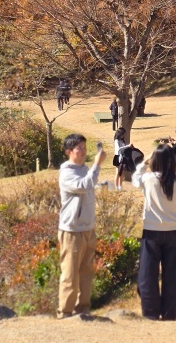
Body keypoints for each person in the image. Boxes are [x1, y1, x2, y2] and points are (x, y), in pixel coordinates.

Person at [57, 133, 106, 319]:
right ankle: (65, 312)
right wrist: (97, 165)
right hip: (72, 230)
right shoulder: (67, 172)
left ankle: (83, 309)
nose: (84, 152)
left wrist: (93, 168)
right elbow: (83, 186)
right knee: (70, 274)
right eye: (80, 149)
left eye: (85, 148)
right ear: (69, 151)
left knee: (86, 273)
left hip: (88, 228)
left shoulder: (85, 168)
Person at [135, 145, 176, 321]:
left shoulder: (149, 179)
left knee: (148, 273)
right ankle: (169, 312)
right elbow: (175, 174)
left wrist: (145, 161)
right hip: (173, 231)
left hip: (152, 230)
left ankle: (151, 311)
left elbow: (135, 179)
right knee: (172, 274)